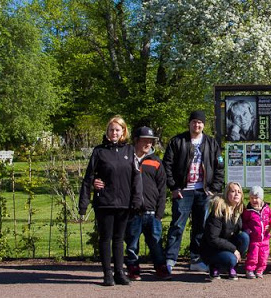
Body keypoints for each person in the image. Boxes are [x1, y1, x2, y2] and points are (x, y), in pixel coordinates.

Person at [78, 116, 142, 286]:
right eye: (111, 130)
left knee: (119, 238)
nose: (114, 133)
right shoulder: (99, 151)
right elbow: (89, 177)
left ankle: (119, 272)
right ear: (107, 132)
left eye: (117, 130)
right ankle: (107, 273)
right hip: (105, 202)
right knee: (105, 238)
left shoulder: (130, 151)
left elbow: (136, 177)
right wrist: (84, 202)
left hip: (124, 202)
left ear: (123, 132)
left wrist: (137, 200)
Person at [163, 110, 225, 274]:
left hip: (203, 192)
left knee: (200, 227)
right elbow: (167, 165)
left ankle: (196, 259)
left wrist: (213, 189)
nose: (197, 125)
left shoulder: (211, 143)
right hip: (183, 191)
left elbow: (219, 168)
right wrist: (174, 187)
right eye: (194, 122)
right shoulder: (177, 141)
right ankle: (170, 259)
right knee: (177, 226)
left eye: (200, 122)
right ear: (189, 123)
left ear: (203, 125)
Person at [122, 126, 170, 281]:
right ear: (136, 140)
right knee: (132, 243)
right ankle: (133, 267)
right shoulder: (127, 159)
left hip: (152, 212)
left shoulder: (156, 162)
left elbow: (162, 189)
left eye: (151, 141)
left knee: (155, 243)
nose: (148, 143)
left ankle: (160, 267)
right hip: (133, 212)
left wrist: (160, 212)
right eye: (145, 140)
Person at [200, 181, 250, 280]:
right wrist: (234, 250)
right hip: (211, 249)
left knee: (245, 237)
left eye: (239, 192)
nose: (236, 194)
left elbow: (244, 227)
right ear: (227, 194)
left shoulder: (238, 210)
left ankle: (232, 268)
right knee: (231, 259)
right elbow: (213, 238)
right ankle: (214, 266)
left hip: (226, 244)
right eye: (233, 191)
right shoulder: (218, 210)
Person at [241, 186, 271, 279]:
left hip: (265, 238)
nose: (254, 200)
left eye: (256, 198)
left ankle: (260, 270)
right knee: (253, 255)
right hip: (254, 239)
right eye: (251, 198)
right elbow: (243, 222)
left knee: (263, 256)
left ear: (261, 198)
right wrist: (246, 229)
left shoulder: (266, 209)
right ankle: (250, 270)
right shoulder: (248, 211)